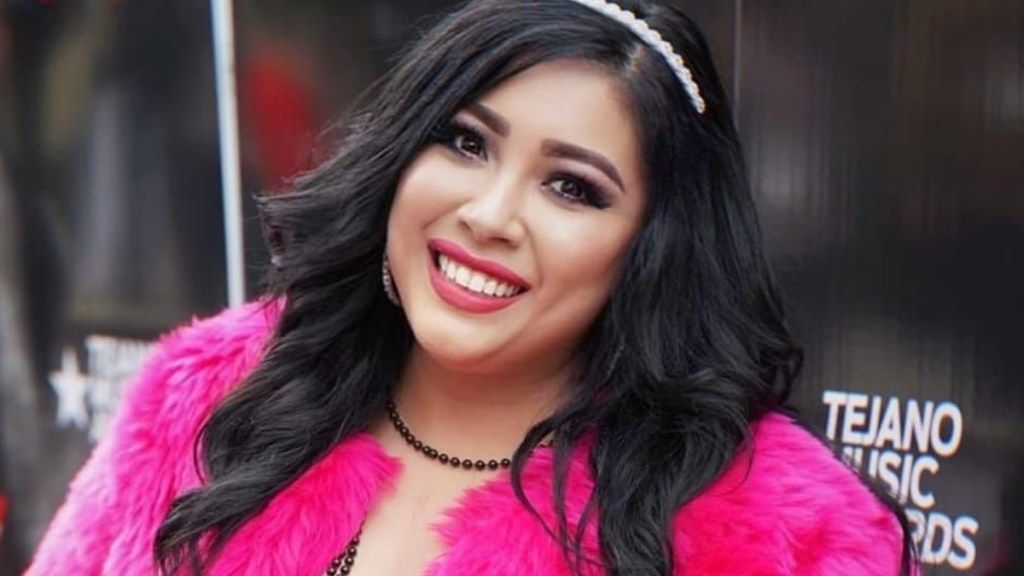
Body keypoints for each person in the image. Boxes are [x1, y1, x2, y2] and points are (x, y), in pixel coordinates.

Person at [26, 0, 916, 574]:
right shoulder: (212, 394)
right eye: (465, 143)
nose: (490, 215)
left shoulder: (773, 526)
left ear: (652, 249)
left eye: (572, 188)